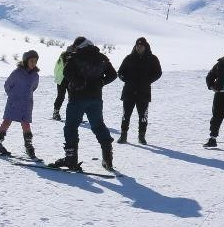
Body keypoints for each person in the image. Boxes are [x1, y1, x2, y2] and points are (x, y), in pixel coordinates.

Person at [49, 37, 118, 172]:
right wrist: (100, 83)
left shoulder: (75, 56)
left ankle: (71, 159)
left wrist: (77, 81)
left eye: (75, 46)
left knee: (71, 127)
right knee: (98, 126)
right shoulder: (101, 57)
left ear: (79, 46)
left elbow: (66, 72)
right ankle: (108, 158)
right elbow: (113, 74)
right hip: (95, 99)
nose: (74, 48)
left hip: (77, 98)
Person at [0, 50, 40, 159]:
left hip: (27, 104)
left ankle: (29, 147)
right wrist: (13, 96)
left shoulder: (35, 76)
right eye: (31, 61)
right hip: (13, 102)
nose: (33, 63)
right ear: (26, 61)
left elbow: (33, 88)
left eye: (35, 61)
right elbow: (7, 85)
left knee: (26, 124)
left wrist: (26, 96)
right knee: (6, 122)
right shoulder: (17, 73)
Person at [116, 38, 163, 145]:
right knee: (126, 115)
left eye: (141, 46)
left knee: (143, 116)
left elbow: (158, 72)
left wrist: (148, 81)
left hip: (143, 92)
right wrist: (125, 79)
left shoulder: (152, 59)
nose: (139, 47)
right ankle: (123, 136)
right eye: (137, 45)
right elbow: (120, 72)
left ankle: (141, 137)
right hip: (129, 91)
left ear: (146, 47)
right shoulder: (129, 58)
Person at [51, 48, 70, 121]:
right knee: (71, 97)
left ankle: (55, 112)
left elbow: (56, 69)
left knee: (60, 96)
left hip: (61, 80)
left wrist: (57, 77)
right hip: (67, 79)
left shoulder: (60, 58)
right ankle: (73, 114)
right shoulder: (69, 57)